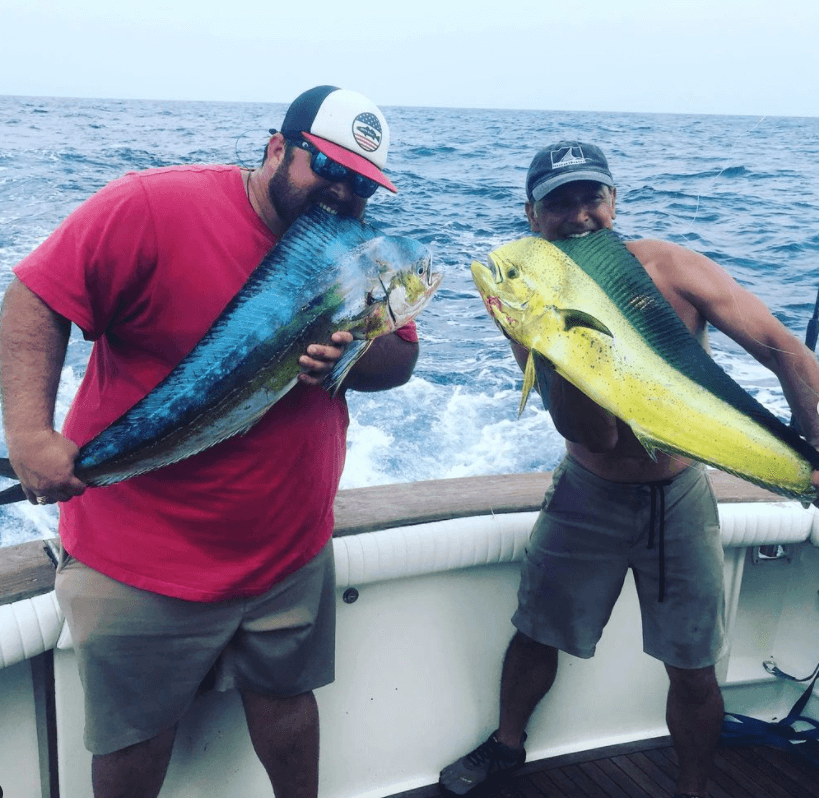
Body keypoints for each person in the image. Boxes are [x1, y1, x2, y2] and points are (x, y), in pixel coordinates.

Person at [0, 85, 419, 798]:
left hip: (288, 552)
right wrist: (31, 435)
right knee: (133, 744)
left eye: (362, 185)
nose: (344, 195)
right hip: (139, 561)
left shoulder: (363, 251)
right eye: (328, 168)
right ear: (277, 148)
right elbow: (36, 299)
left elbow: (401, 358)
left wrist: (349, 358)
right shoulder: (152, 204)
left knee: (289, 713)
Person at [439, 141, 819, 798]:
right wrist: (559, 348)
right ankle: (506, 747)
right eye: (559, 203)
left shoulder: (672, 268)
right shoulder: (523, 290)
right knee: (536, 634)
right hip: (588, 492)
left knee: (692, 666)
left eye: (591, 198)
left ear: (613, 202)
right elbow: (593, 434)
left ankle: (691, 789)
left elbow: (782, 349)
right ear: (531, 214)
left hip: (679, 497)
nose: (579, 215)